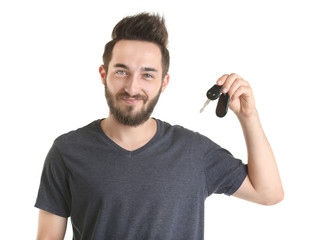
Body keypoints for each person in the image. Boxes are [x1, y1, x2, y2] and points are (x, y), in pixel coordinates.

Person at [35, 12, 284, 240]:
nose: (132, 88)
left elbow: (268, 193)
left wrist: (248, 117)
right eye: (122, 72)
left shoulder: (193, 151)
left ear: (164, 82)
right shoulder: (67, 151)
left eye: (147, 75)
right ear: (103, 74)